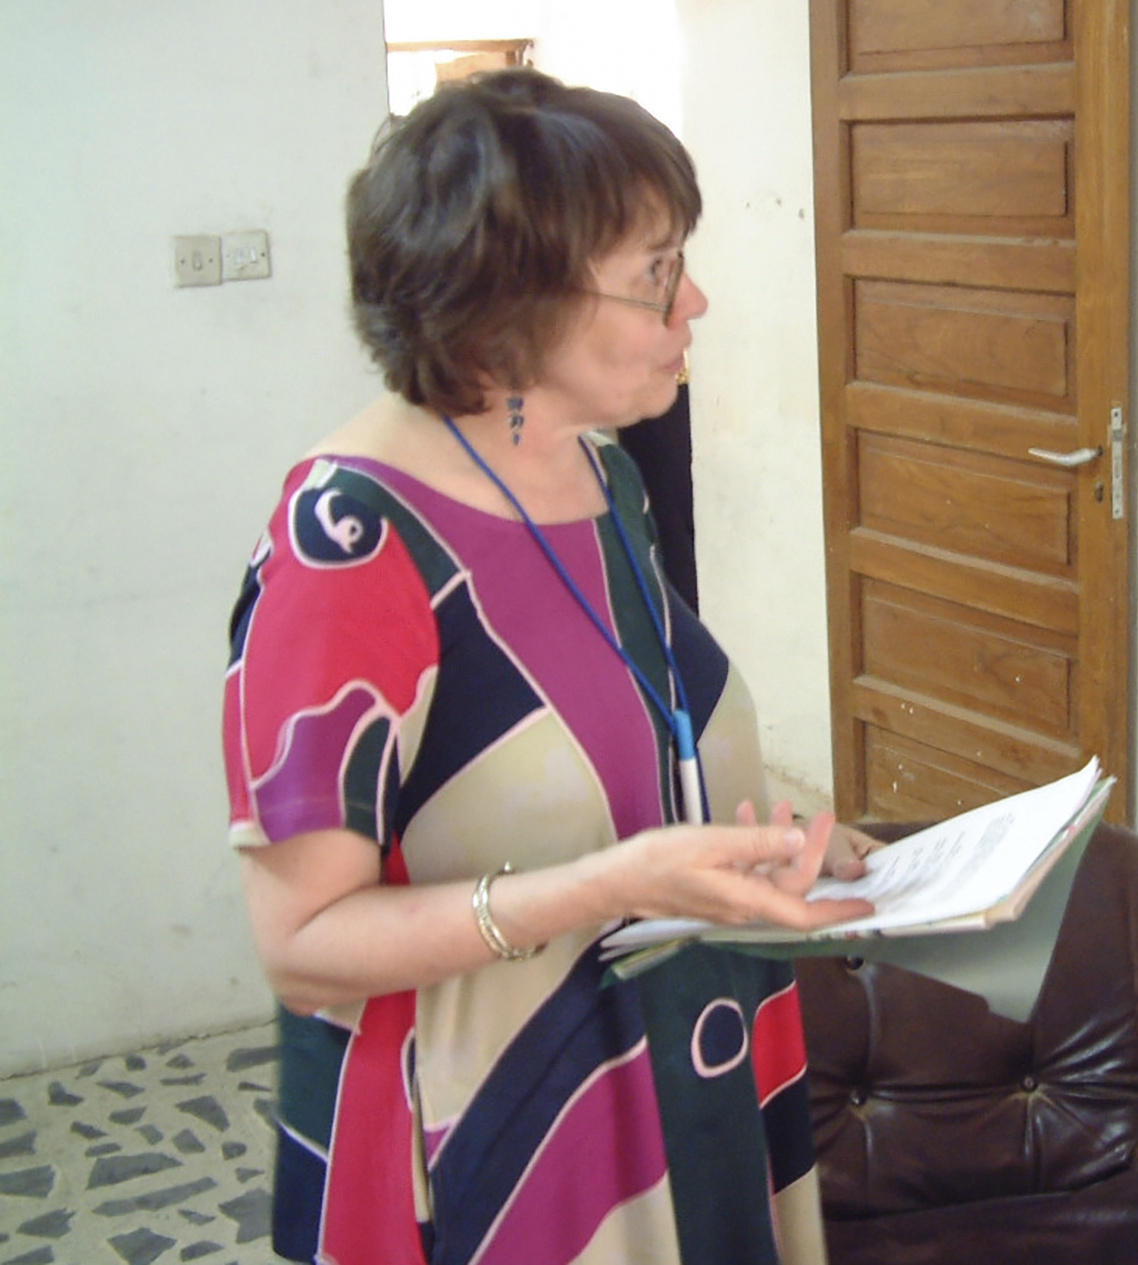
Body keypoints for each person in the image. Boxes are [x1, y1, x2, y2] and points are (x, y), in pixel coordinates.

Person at [223, 68, 878, 1265]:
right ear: (504, 308)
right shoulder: (353, 544)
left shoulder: (600, 470)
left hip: (679, 1056)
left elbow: (616, 747)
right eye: (656, 274)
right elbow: (301, 937)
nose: (699, 302)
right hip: (494, 1115)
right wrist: (608, 883)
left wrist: (763, 841)